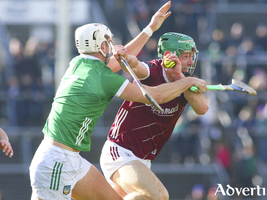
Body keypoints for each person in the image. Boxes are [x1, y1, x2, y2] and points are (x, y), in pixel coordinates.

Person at [29, 11, 207, 200]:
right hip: (57, 161)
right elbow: (155, 96)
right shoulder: (105, 78)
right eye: (109, 43)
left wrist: (150, 28)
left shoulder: (78, 63)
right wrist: (187, 82)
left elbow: (121, 60)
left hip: (71, 160)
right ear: (102, 45)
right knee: (160, 195)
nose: (111, 47)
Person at [100, 32, 209, 200]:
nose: (190, 61)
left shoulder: (186, 80)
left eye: (192, 56)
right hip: (120, 151)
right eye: (186, 56)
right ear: (169, 56)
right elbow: (136, 66)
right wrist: (127, 58)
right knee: (160, 195)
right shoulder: (153, 70)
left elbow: (202, 108)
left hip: (143, 160)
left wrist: (180, 78)